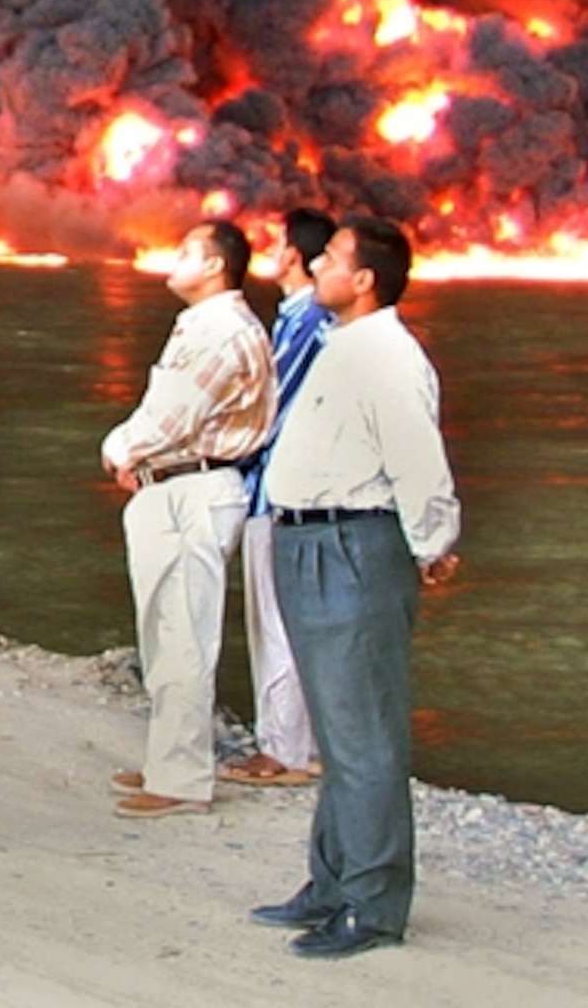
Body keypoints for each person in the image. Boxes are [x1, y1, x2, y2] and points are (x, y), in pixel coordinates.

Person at [250, 217, 461, 959]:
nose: (318, 264)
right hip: (310, 538)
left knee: (363, 730)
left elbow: (417, 458)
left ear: (365, 278)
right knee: (339, 726)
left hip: (350, 543)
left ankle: (372, 902)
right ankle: (331, 879)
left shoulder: (388, 358)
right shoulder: (344, 348)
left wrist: (434, 539)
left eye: (333, 258)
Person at [100, 219, 276, 818]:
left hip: (190, 489)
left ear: (215, 267)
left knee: (181, 633)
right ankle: (170, 761)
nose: (171, 259)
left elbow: (170, 417)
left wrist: (118, 450)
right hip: (178, 485)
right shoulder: (207, 326)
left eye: (185, 252)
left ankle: (181, 781)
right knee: (167, 629)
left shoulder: (220, 333)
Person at [226, 207, 334, 786]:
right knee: (290, 620)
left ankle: (282, 750)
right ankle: (299, 741)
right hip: (289, 489)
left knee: (274, 621)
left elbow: (265, 406)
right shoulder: (306, 319)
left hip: (278, 492)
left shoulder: (307, 321)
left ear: (295, 255)